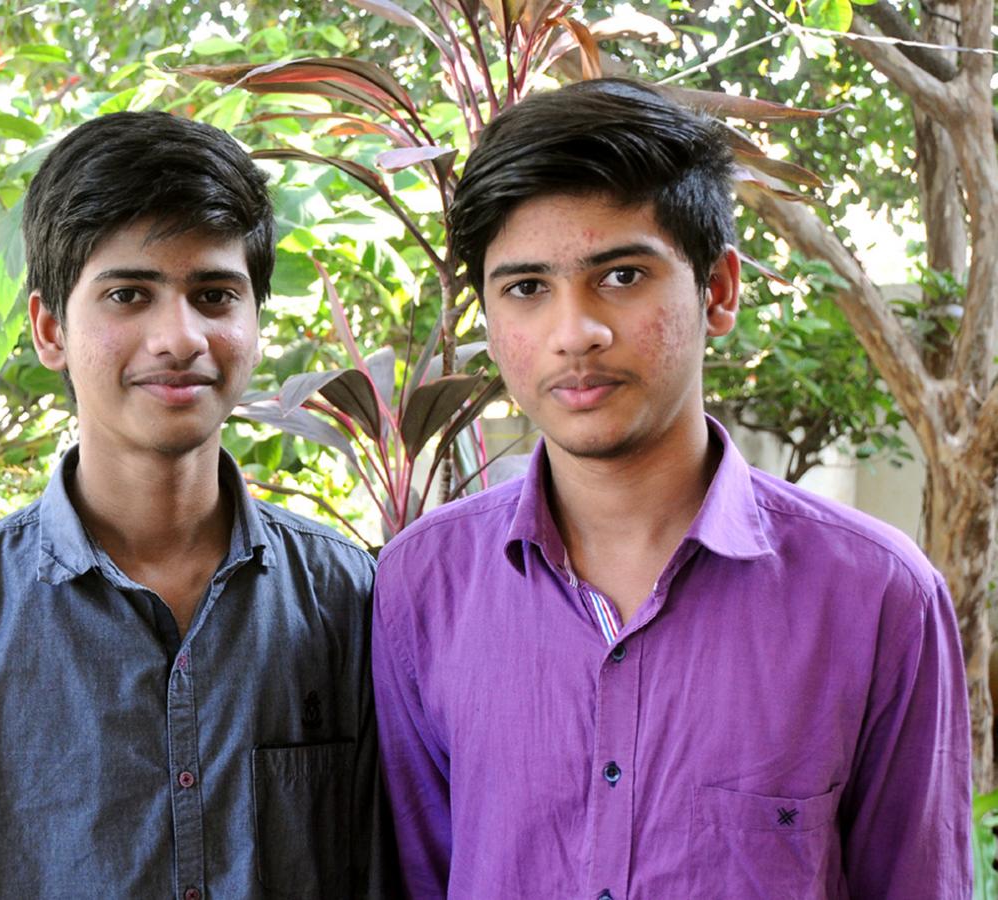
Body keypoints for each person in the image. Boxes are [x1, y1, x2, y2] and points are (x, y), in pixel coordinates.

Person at [372, 78, 971, 898]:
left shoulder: (876, 596)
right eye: (527, 288)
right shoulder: (422, 587)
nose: (574, 333)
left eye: (621, 276)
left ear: (717, 290)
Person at [0, 111, 392, 899]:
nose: (179, 337)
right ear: (49, 330)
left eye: (214, 294)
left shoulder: (345, 597)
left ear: (254, 321)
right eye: (128, 294)